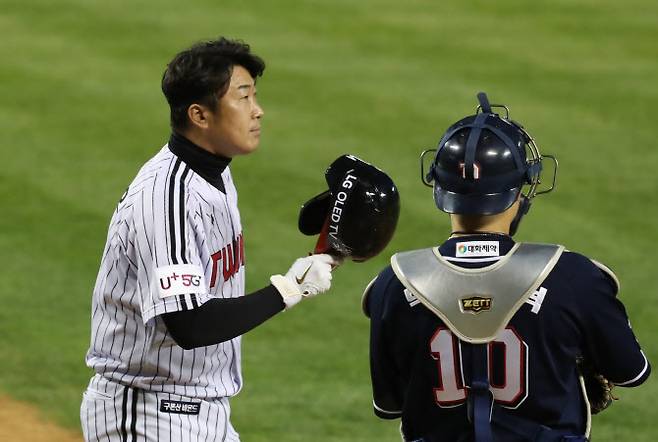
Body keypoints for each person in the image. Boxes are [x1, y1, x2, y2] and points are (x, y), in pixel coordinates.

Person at [80, 37, 340, 442]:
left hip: (197, 413)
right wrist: (288, 289)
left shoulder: (215, 172)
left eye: (255, 95)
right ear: (200, 115)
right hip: (147, 414)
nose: (258, 110)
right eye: (243, 97)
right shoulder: (167, 198)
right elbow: (190, 323)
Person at [362, 93, 651, 441]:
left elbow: (389, 403)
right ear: (520, 192)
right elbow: (631, 370)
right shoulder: (576, 278)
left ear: (438, 187)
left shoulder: (393, 284)